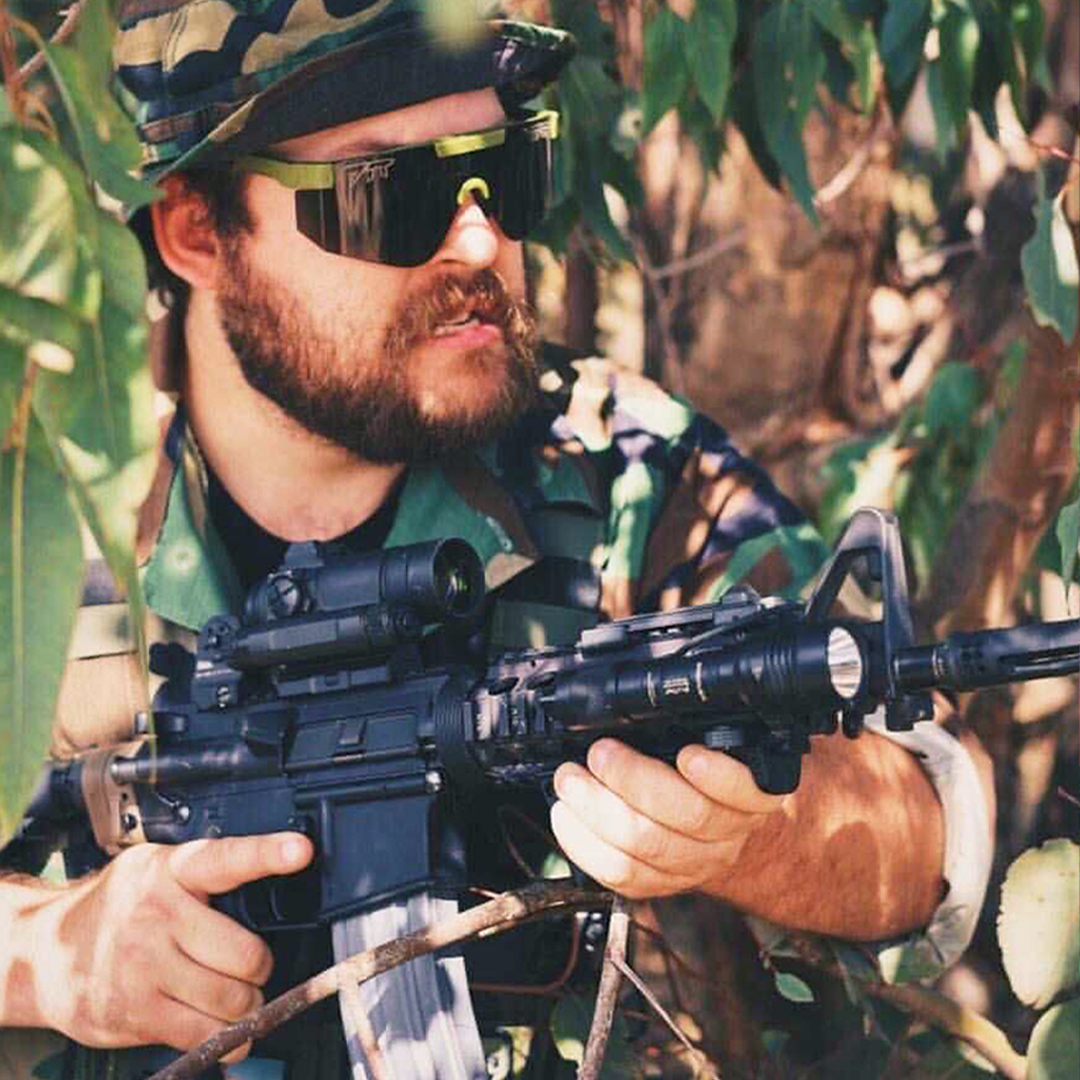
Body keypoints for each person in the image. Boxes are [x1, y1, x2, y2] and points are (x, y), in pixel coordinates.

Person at [0, 1, 995, 1077]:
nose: (480, 241)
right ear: (197, 230)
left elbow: (932, 820)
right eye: (390, 194)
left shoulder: (612, 465)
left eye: (502, 173)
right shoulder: (38, 502)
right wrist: (42, 955)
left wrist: (770, 833)